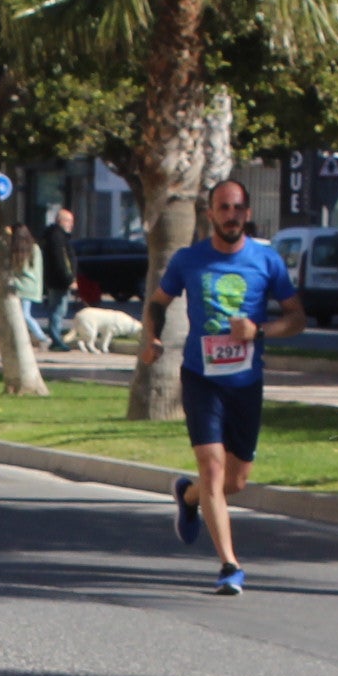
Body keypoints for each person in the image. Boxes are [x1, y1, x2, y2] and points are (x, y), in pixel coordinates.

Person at [136, 177, 301, 597]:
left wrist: (258, 330)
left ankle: (188, 497)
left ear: (247, 214)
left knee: (236, 481)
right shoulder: (189, 260)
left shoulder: (267, 262)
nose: (231, 215)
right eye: (223, 208)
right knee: (212, 467)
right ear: (211, 214)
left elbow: (296, 319)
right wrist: (151, 337)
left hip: (246, 382)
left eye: (238, 208)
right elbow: (158, 300)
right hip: (201, 378)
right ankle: (230, 564)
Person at [35, 204, 79, 349]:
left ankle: (55, 337)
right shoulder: (57, 237)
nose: (71, 225)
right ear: (61, 221)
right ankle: (56, 339)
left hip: (56, 279)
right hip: (59, 280)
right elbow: (62, 260)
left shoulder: (55, 235)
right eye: (69, 221)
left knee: (58, 309)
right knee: (58, 310)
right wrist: (69, 279)